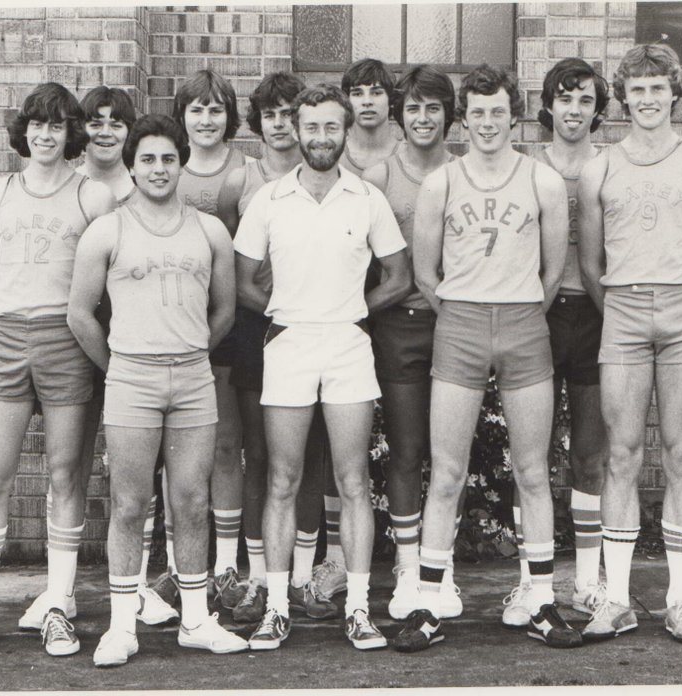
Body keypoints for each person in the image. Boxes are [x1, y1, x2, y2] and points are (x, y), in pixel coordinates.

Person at [395, 64, 580, 652]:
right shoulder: (441, 184)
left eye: (498, 111)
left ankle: (542, 601)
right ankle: (427, 605)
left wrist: (520, 308)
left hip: (524, 322)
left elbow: (552, 272)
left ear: (515, 113)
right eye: (476, 112)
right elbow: (426, 272)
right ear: (463, 119)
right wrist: (462, 314)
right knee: (445, 470)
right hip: (461, 324)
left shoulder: (542, 181)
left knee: (532, 469)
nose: (488, 122)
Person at [233, 83, 411, 651]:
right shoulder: (269, 199)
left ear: (345, 130)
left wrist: (353, 311)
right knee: (283, 480)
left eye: (332, 127)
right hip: (288, 345)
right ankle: (278, 608)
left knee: (353, 479)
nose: (321, 137)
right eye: (311, 127)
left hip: (347, 347)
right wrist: (291, 314)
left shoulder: (367, 197)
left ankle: (358, 609)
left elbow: (400, 276)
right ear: (296, 129)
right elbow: (241, 280)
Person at [0, 82, 116, 659]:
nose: (46, 134)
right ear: (25, 130)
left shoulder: (92, 197)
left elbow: (99, 288)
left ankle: (58, 604)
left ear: (71, 133)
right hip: (9, 338)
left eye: (58, 125)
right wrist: (3, 329)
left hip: (65, 341)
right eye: (37, 124)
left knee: (66, 476)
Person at [68, 114, 245, 666]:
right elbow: (80, 314)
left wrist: (189, 353)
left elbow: (226, 310)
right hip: (130, 378)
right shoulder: (109, 229)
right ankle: (122, 627)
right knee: (128, 503)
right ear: (133, 164)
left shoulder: (209, 230)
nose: (159, 168)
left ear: (181, 163)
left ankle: (195, 619)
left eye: (169, 158)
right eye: (148, 158)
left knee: (192, 502)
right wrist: (119, 364)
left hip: (193, 377)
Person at [577, 43, 682, 644]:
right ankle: (615, 600)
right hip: (623, 309)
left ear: (674, 93)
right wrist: (625, 306)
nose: (646, 99)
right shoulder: (601, 168)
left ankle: (679, 600)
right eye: (636, 90)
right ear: (623, 96)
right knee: (621, 454)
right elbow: (590, 264)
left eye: (657, 88)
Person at [17, 85, 177, 630]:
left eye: (117, 122)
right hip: (76, 341)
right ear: (80, 130)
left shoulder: (148, 189)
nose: (106, 130)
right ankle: (58, 590)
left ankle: (135, 587)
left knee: (139, 468)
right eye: (96, 121)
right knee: (70, 464)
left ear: (131, 133)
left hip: (137, 346)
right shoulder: (73, 189)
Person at [215, 70, 330, 624]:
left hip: (321, 332)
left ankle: (305, 577)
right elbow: (240, 270)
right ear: (258, 123)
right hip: (261, 328)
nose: (282, 125)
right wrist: (283, 312)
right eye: (272, 115)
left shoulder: (332, 178)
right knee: (261, 453)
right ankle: (262, 579)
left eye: (291, 114)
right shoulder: (243, 181)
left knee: (311, 456)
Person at [503, 58, 611, 629]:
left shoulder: (611, 165)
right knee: (532, 458)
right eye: (564, 98)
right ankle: (529, 580)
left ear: (598, 109)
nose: (573, 110)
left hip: (594, 315)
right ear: (548, 105)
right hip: (537, 318)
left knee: (590, 454)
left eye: (585, 100)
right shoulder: (526, 167)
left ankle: (589, 581)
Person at [146, 70, 252, 612]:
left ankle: (228, 565)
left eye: (215, 110)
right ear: (181, 116)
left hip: (224, 325)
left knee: (225, 442)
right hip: (169, 327)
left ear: (229, 116)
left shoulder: (245, 171)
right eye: (196, 110)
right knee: (174, 454)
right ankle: (176, 564)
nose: (206, 120)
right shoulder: (167, 171)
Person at [360, 64, 460, 620]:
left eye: (434, 108)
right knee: (405, 449)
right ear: (400, 114)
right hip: (400, 324)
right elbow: (365, 264)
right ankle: (405, 566)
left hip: (457, 326)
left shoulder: (469, 172)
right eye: (414, 108)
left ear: (449, 115)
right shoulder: (379, 177)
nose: (423, 119)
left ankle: (440, 568)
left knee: (450, 454)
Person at [306, 57, 405, 606]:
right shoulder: (322, 159)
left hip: (377, 316)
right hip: (323, 324)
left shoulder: (392, 164)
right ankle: (335, 561)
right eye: (357, 92)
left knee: (374, 449)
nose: (368, 101)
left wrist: (358, 307)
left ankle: (398, 565)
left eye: (377, 92)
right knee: (324, 444)